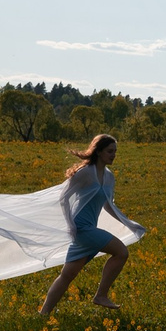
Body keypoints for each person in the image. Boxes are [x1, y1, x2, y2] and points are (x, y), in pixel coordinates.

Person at [40, 134, 141, 317]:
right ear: (99, 151)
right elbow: (64, 198)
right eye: (110, 151)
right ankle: (101, 295)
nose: (113, 155)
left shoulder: (109, 178)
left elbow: (108, 205)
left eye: (115, 152)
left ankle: (43, 314)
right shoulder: (86, 173)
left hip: (87, 230)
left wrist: (129, 224)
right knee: (121, 252)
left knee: (67, 275)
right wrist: (70, 225)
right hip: (82, 228)